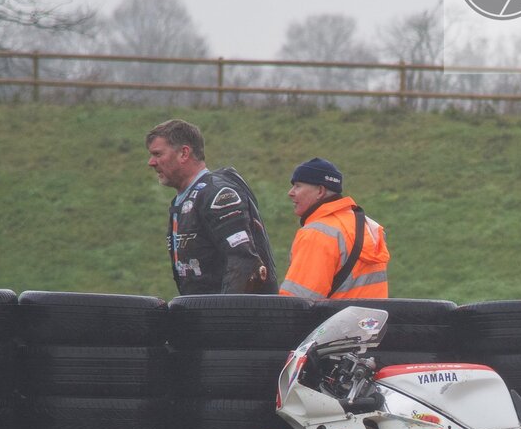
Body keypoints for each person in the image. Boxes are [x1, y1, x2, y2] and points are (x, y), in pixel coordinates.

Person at [145, 119, 278, 296]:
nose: (151, 162)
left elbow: (243, 261)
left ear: (184, 153)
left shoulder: (218, 194)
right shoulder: (185, 199)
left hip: (232, 319)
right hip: (202, 317)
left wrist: (220, 317)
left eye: (157, 154)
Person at [279, 157, 390, 300]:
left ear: (320, 191)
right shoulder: (368, 226)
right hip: (371, 321)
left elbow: (297, 302)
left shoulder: (317, 234)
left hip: (333, 321)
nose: (291, 192)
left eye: (298, 186)